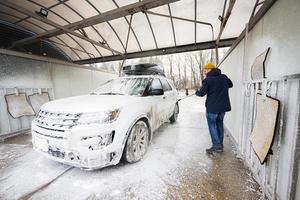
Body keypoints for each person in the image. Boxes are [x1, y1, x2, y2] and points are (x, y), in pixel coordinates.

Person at [195, 63, 233, 154]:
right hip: (223, 107)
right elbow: (230, 84)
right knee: (219, 124)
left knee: (212, 125)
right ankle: (220, 144)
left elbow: (201, 93)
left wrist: (197, 92)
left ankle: (216, 146)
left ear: (210, 69)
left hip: (212, 108)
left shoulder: (207, 80)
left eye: (205, 70)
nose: (204, 71)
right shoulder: (224, 77)